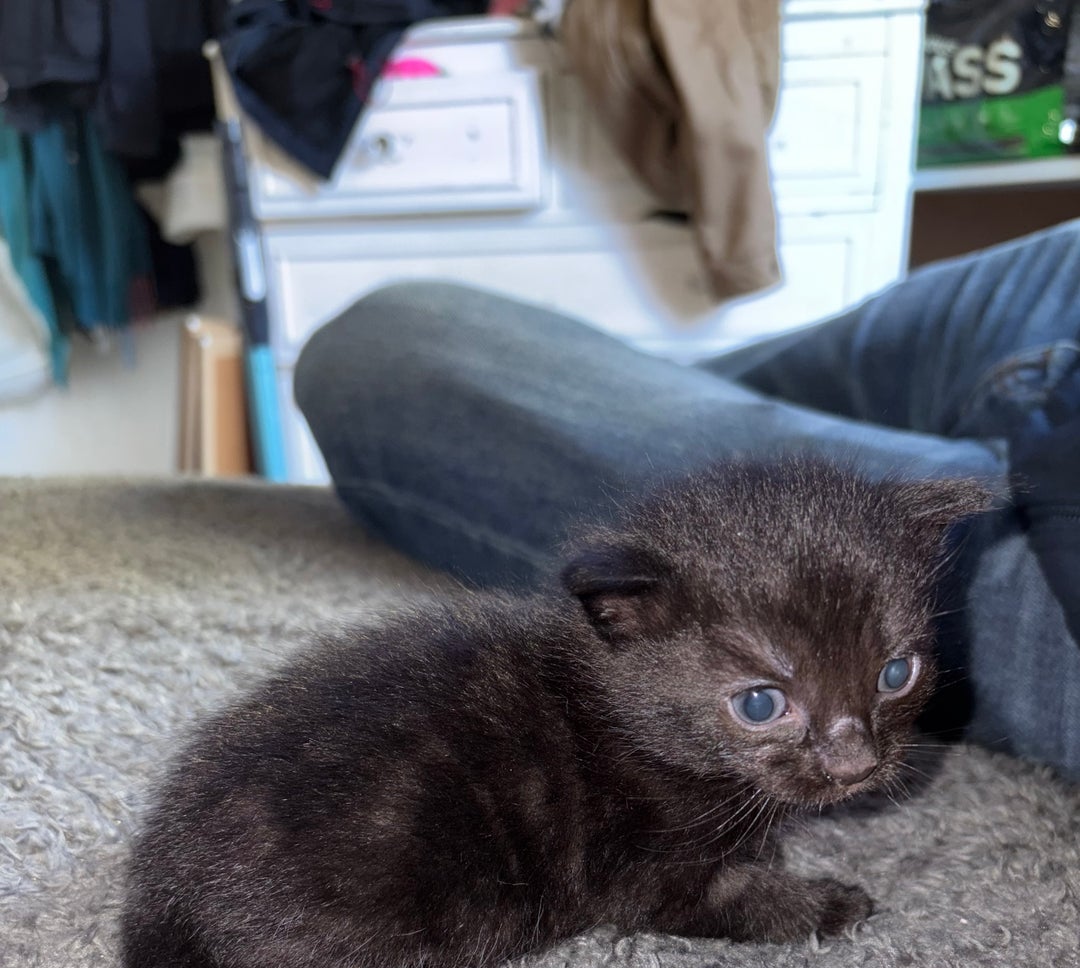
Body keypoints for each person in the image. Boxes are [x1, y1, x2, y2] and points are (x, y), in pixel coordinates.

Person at [294, 221, 1080, 782]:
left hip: (1052, 550)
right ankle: (644, 399)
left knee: (394, 337)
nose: (860, 761)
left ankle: (633, 403)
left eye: (896, 672)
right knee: (608, 391)